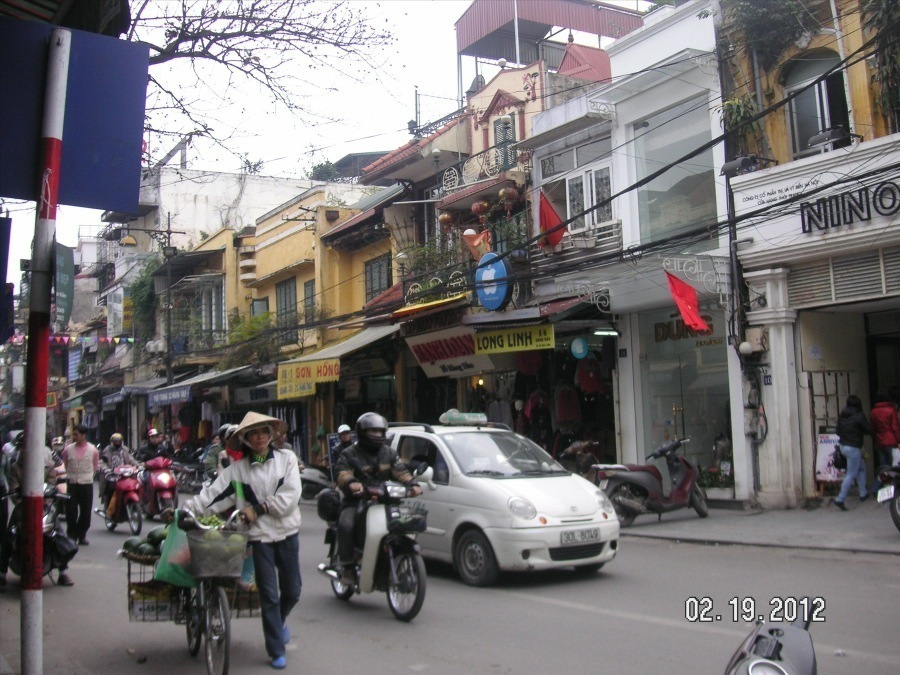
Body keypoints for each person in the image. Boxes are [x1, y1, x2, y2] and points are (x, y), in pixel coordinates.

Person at [179, 412, 301, 670]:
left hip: (288, 532)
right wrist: (186, 510)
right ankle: (276, 648)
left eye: (264, 432)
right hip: (258, 538)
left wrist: (258, 509)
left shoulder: (286, 460)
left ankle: (278, 623)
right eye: (254, 433)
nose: (260, 437)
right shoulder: (237, 472)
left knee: (293, 590)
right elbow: (211, 497)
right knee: (268, 593)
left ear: (271, 434)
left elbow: (290, 496)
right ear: (245, 439)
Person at [334, 412, 422, 586]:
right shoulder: (349, 453)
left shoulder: (389, 453)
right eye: (372, 431)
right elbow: (342, 474)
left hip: (385, 499)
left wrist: (413, 484)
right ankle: (348, 567)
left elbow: (401, 472)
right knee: (346, 524)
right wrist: (352, 484)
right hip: (356, 500)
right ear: (362, 432)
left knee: (401, 523)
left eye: (380, 431)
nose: (377, 435)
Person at [1, 434, 73, 587]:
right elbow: (13, 489)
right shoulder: (15, 467)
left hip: (44, 506)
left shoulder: (47, 464)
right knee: (9, 535)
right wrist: (21, 499)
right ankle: (2, 573)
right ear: (19, 448)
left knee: (58, 533)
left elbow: (52, 483)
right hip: (23, 508)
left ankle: (63, 571)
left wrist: (47, 498)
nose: (26, 449)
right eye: (23, 446)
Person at [61, 424, 100, 545]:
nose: (74, 436)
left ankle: (81, 534)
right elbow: (66, 464)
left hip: (86, 484)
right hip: (72, 483)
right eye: (74, 434)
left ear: (83, 435)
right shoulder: (68, 450)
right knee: (71, 512)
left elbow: (95, 466)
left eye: (76, 434)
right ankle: (71, 534)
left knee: (85, 512)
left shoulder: (93, 450)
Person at [832, 394, 872, 511]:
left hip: (843, 446)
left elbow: (838, 431)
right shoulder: (859, 416)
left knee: (861, 468)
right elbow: (867, 429)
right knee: (851, 474)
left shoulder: (842, 415)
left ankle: (863, 493)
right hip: (853, 447)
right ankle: (840, 498)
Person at [870, 391, 900, 494]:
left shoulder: (873, 412)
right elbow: (895, 427)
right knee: (894, 468)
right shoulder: (891, 410)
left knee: (883, 468)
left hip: (880, 442)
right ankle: (891, 489)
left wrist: (875, 439)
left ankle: (878, 488)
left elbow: (873, 429)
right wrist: (899, 440)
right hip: (891, 441)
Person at [99, 432, 138, 510]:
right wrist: (106, 469)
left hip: (125, 474)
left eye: (119, 441)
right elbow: (102, 462)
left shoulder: (125, 449)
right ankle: (109, 506)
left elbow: (131, 459)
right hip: (112, 475)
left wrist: (138, 465)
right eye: (115, 441)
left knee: (135, 485)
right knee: (111, 488)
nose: (117, 443)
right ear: (112, 442)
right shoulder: (107, 450)